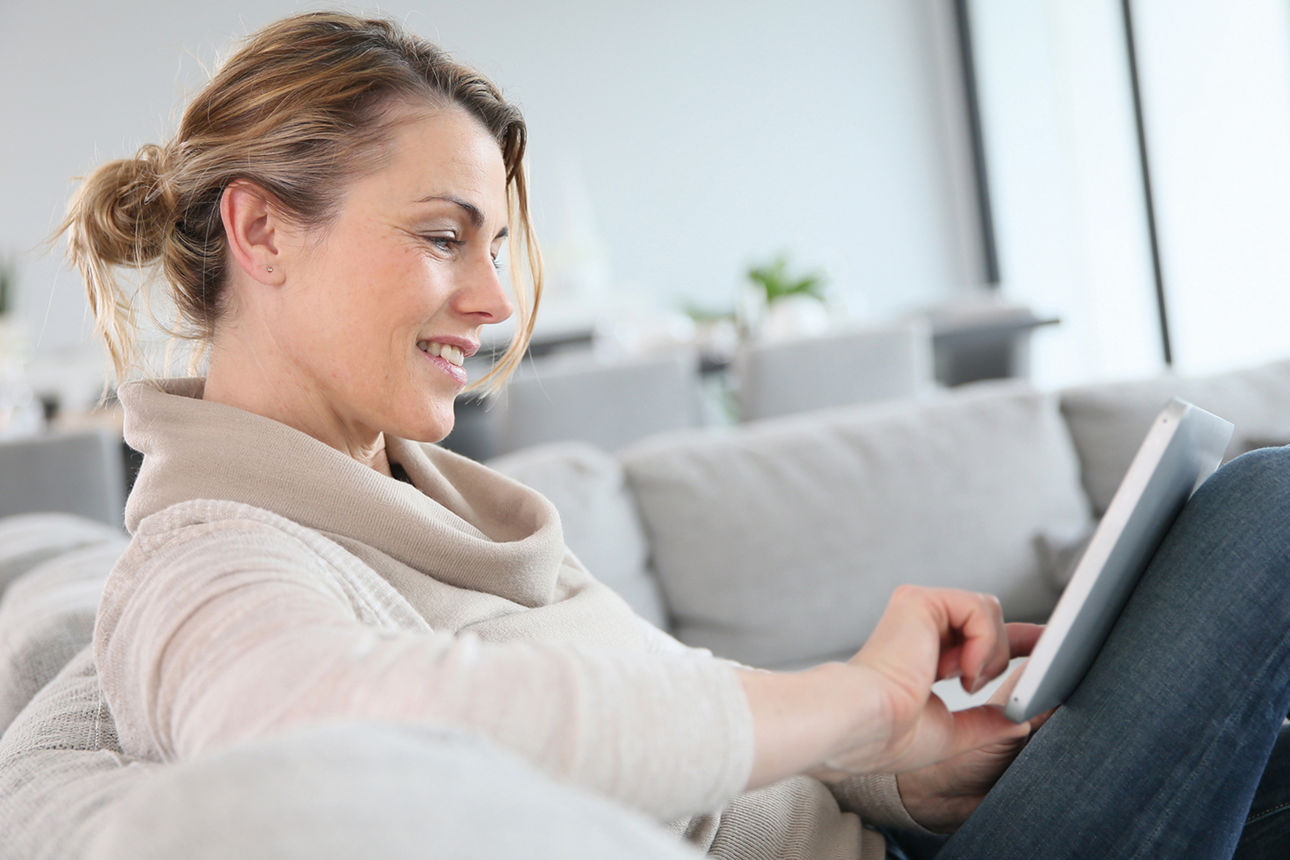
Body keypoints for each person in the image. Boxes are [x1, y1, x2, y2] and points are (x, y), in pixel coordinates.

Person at [59, 12, 1290, 858]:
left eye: (494, 245)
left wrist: (903, 760)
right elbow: (355, 750)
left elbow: (677, 745)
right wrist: (850, 702)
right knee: (1261, 512)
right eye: (444, 235)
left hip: (897, 834)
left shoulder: (436, 504)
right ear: (263, 234)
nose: (494, 302)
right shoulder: (210, 564)